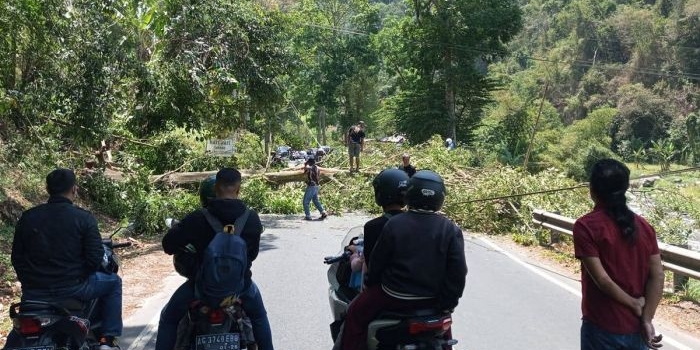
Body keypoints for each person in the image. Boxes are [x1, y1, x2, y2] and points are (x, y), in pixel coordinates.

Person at [339, 170, 467, 350]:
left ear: (410, 194)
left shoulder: (394, 224)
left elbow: (376, 264)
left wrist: (371, 283)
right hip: (431, 300)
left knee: (354, 314)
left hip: (393, 296)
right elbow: (457, 273)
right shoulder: (451, 229)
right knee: (444, 327)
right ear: (440, 197)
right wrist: (447, 305)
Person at [156, 168, 274, 350]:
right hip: (240, 288)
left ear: (216, 188)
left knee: (168, 318)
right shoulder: (251, 219)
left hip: (200, 289)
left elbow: (168, 245)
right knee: (258, 316)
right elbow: (252, 255)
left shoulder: (197, 218)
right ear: (238, 188)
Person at [10, 168, 123, 350]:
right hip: (73, 288)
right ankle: (107, 341)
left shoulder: (28, 217)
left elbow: (17, 257)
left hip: (34, 294)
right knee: (114, 282)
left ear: (48, 189)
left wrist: (30, 282)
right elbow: (94, 259)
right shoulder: (84, 218)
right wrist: (79, 274)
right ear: (74, 190)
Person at [573, 159, 664, 350]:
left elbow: (602, 280)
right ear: (624, 189)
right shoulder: (645, 227)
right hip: (636, 331)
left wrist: (634, 304)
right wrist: (647, 319)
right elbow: (658, 275)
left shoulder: (586, 226)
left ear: (592, 190)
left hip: (601, 328)